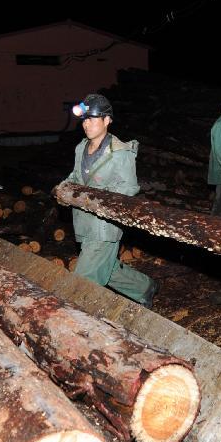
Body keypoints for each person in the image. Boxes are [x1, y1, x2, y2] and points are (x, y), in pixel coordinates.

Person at [64, 93, 158, 307]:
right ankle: (144, 287)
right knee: (107, 267)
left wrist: (96, 198)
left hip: (104, 226)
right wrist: (64, 188)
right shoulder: (81, 148)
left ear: (107, 121)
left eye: (92, 119)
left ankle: (78, 319)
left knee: (83, 282)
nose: (86, 124)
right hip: (83, 221)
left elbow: (128, 188)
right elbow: (75, 176)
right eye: (84, 119)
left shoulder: (120, 153)